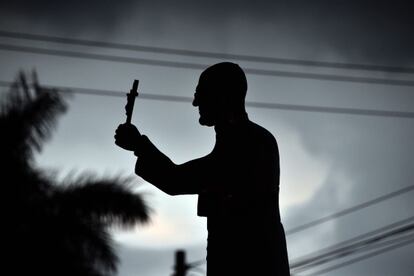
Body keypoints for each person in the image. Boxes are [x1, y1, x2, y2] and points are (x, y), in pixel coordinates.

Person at [115, 62, 290, 275]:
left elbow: (177, 179)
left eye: (202, 94)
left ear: (223, 97)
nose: (195, 102)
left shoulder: (252, 145)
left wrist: (139, 146)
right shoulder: (245, 143)